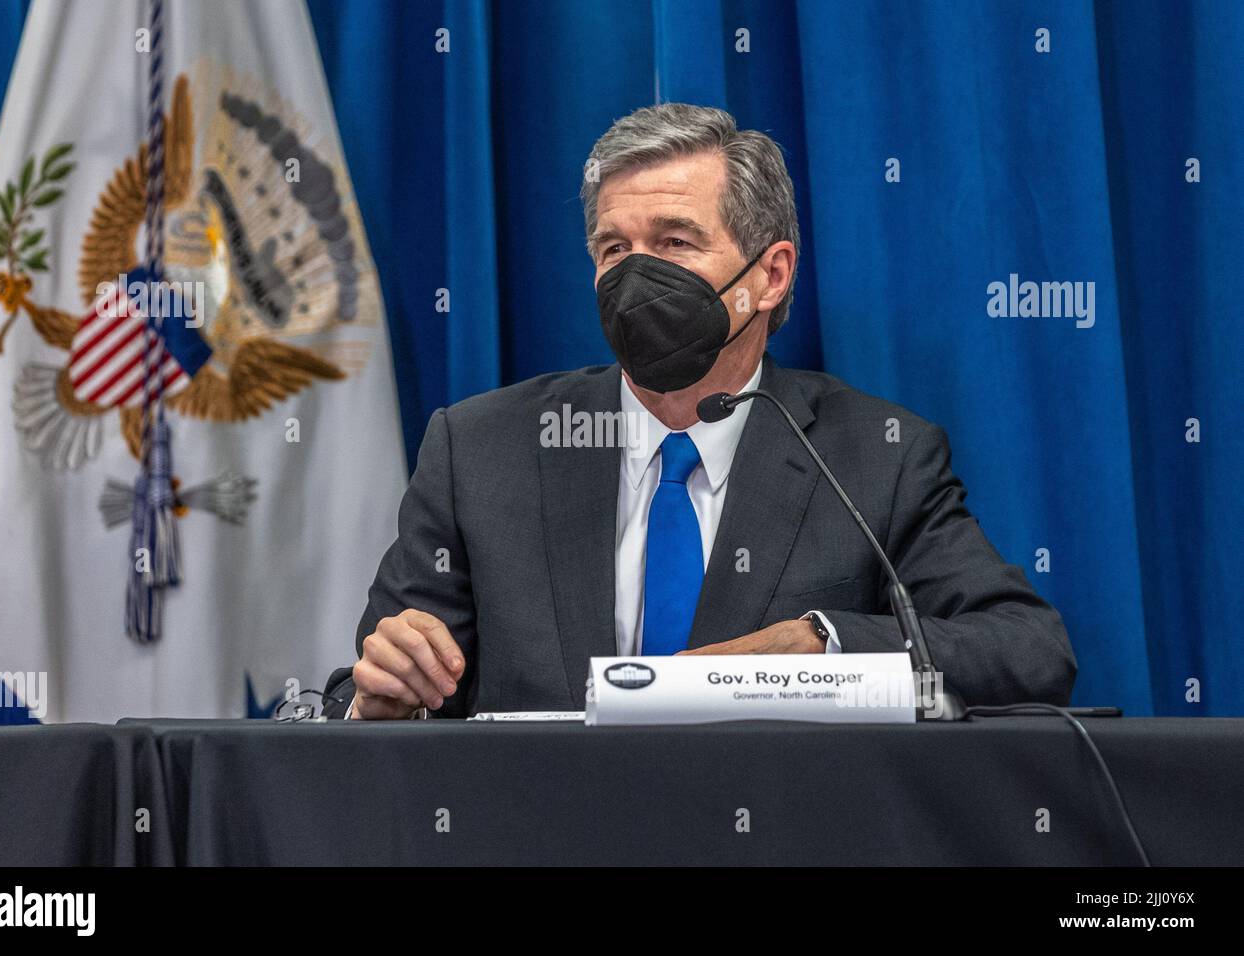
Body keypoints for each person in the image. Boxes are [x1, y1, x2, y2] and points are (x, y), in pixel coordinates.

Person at [326, 103, 1075, 720]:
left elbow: (1027, 650)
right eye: (613, 248)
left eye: (675, 242)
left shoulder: (875, 456)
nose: (635, 276)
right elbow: (362, 693)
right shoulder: (481, 450)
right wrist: (378, 697)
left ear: (770, 275)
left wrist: (817, 644)